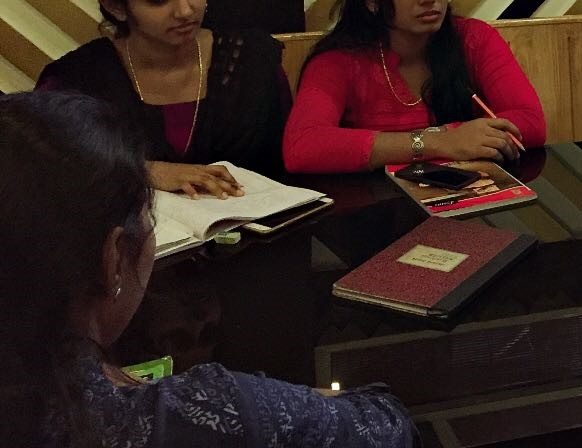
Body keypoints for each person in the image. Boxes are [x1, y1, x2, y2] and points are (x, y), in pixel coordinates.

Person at [0, 90, 418, 448]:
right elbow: (389, 426)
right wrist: (301, 405)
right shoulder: (204, 411)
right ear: (114, 260)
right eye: (151, 215)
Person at [38, 0, 289, 196]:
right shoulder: (75, 81)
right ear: (116, 6)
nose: (185, 10)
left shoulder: (252, 61)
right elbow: (46, 173)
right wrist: (145, 171)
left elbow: (285, 167)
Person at [284, 0, 546, 172]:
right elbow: (302, 146)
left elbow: (531, 121)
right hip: (377, 200)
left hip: (467, 194)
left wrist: (450, 138)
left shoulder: (473, 38)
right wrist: (440, 142)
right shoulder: (338, 61)